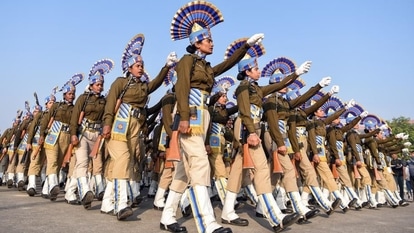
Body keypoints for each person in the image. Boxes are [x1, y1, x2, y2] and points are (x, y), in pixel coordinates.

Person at [161, 2, 264, 232]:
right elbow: (182, 89)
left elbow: (227, 64)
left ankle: (167, 217)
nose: (212, 43)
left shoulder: (206, 66)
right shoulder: (187, 62)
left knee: (182, 172)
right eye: (208, 40)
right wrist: (185, 117)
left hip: (203, 117)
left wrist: (246, 46)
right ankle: (207, 222)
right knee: (200, 165)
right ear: (197, 41)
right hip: (190, 115)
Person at [101, 33, 175, 220]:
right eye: (138, 65)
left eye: (142, 65)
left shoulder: (143, 87)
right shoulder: (120, 83)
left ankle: (107, 202)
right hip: (119, 125)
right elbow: (110, 104)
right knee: (123, 158)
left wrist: (166, 67)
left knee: (127, 162)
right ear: (129, 67)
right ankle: (121, 205)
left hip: (135, 127)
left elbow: (156, 84)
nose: (141, 68)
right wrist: (107, 124)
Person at [67, 59, 113, 208]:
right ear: (91, 84)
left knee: (97, 165)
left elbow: (107, 115)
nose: (100, 87)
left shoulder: (104, 101)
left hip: (97, 135)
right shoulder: (83, 98)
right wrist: (73, 134)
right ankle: (85, 191)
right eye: (97, 84)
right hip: (83, 134)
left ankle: (94, 190)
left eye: (101, 85)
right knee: (82, 163)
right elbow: (74, 118)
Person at [38, 75, 81, 201]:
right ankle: (54, 185)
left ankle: (48, 189)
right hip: (53, 134)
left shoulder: (75, 109)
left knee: (58, 164)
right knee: (52, 161)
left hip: (67, 137)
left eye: (73, 93)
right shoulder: (56, 106)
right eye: (69, 93)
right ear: (64, 95)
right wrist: (41, 134)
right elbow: (46, 120)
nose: (71, 95)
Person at [25, 92, 55, 196]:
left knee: (47, 164)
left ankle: (46, 189)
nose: (52, 104)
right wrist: (29, 142)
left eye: (54, 102)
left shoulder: (57, 114)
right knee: (35, 162)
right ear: (46, 104)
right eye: (50, 102)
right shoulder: (41, 115)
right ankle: (32, 186)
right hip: (37, 142)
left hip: (50, 142)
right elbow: (33, 127)